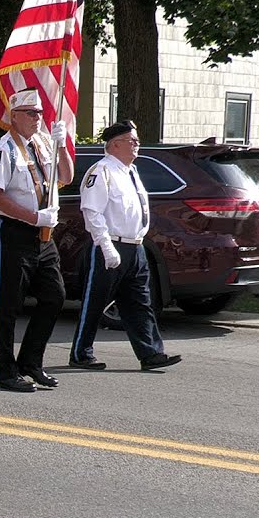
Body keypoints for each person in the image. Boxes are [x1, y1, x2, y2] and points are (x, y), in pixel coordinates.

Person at [69, 120, 183, 372]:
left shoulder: (131, 171)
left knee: (140, 302)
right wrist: (106, 246)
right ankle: (81, 352)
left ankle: (151, 353)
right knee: (95, 302)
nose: (136, 145)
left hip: (136, 247)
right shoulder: (102, 171)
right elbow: (92, 211)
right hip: (110, 246)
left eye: (136, 141)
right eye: (132, 141)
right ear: (115, 144)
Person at [0, 90, 73, 392]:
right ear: (14, 117)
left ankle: (31, 361)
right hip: (16, 232)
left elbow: (66, 176)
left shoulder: (45, 143)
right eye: (31, 113)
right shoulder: (3, 150)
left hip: (44, 237)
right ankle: (5, 371)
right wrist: (34, 218)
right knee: (9, 305)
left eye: (40, 113)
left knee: (55, 295)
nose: (38, 118)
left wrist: (61, 147)